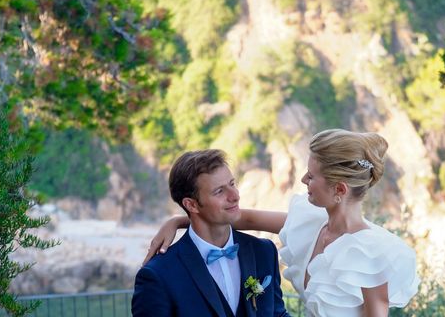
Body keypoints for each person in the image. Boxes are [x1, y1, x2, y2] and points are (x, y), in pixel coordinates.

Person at [145, 130, 419, 317]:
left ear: (340, 189)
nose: (303, 181)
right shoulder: (310, 225)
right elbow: (241, 217)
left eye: (312, 176)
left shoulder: (373, 253)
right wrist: (179, 220)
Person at [132, 149, 290, 317]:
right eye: (219, 191)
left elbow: (277, 314)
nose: (235, 195)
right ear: (191, 205)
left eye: (232, 183)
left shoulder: (263, 251)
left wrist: (177, 221)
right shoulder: (158, 275)